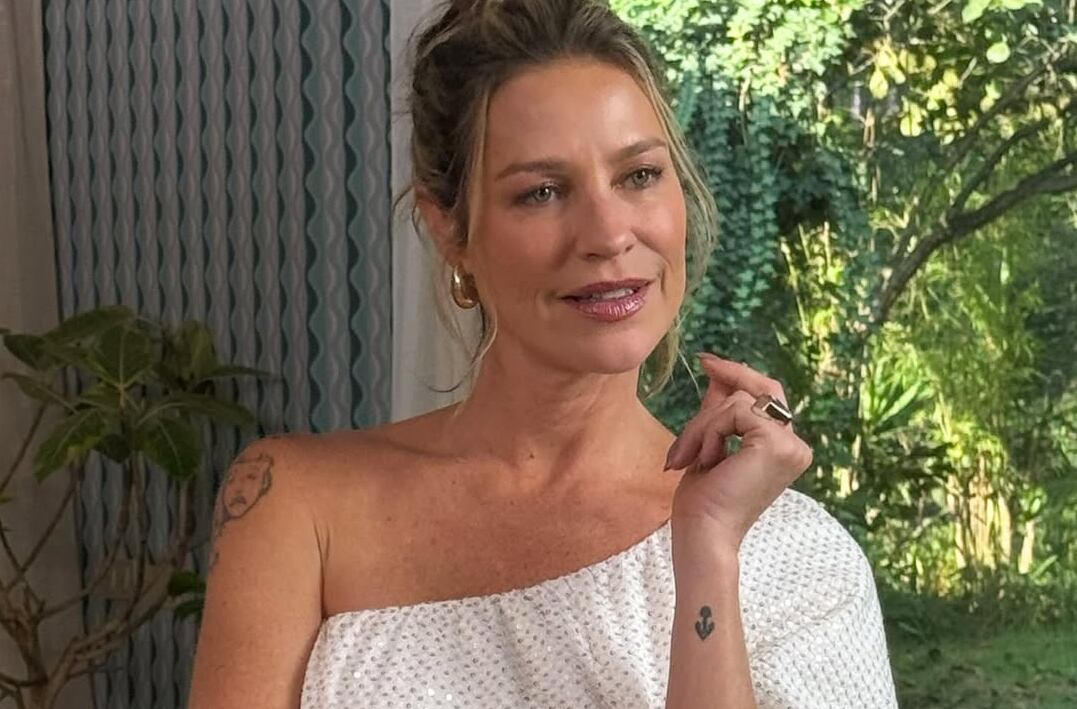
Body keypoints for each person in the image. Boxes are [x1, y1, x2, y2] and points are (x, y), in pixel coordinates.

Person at [187, 0, 898, 707]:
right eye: (543, 192)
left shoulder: (799, 561)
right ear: (450, 230)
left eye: (639, 176)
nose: (608, 234)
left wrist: (707, 549)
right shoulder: (294, 506)